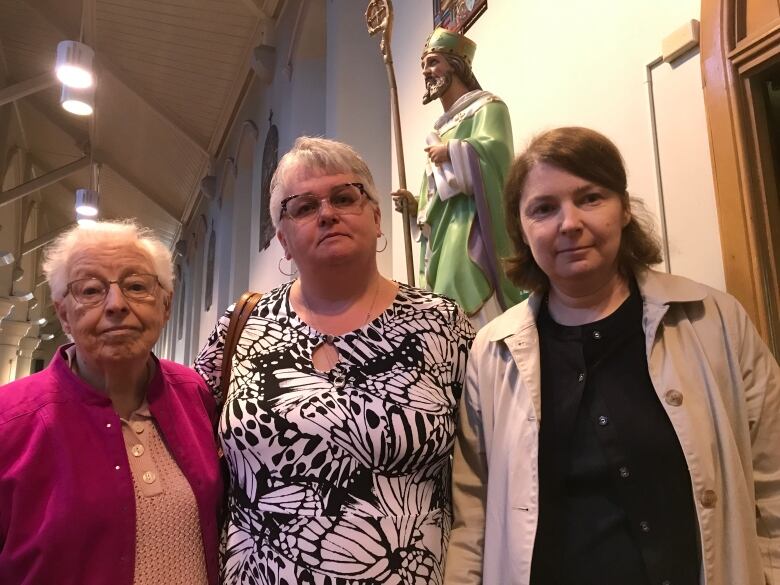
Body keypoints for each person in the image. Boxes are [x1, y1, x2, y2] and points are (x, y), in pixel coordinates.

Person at [445, 127, 780, 585]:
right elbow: (473, 512)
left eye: (590, 198)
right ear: (521, 231)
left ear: (623, 209)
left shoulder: (713, 320)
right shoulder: (492, 353)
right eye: (543, 209)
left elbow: (773, 472)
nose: (569, 224)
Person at [195, 136, 474, 585]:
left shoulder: (442, 324)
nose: (327, 213)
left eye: (345, 197)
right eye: (304, 207)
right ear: (283, 240)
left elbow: (481, 470)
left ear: (377, 218)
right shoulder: (242, 325)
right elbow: (185, 439)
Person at [0, 221, 222, 585]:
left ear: (166, 306)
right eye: (90, 290)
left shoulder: (193, 394)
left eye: (136, 287)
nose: (117, 305)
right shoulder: (10, 421)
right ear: (63, 314)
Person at [393, 27, 526, 327]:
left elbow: (499, 158)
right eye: (424, 65)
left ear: (456, 65)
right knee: (442, 303)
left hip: (472, 229)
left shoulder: (488, 108)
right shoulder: (440, 128)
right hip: (442, 233)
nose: (426, 71)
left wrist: (455, 152)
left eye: (434, 62)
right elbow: (439, 191)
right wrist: (415, 206)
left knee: (467, 294)